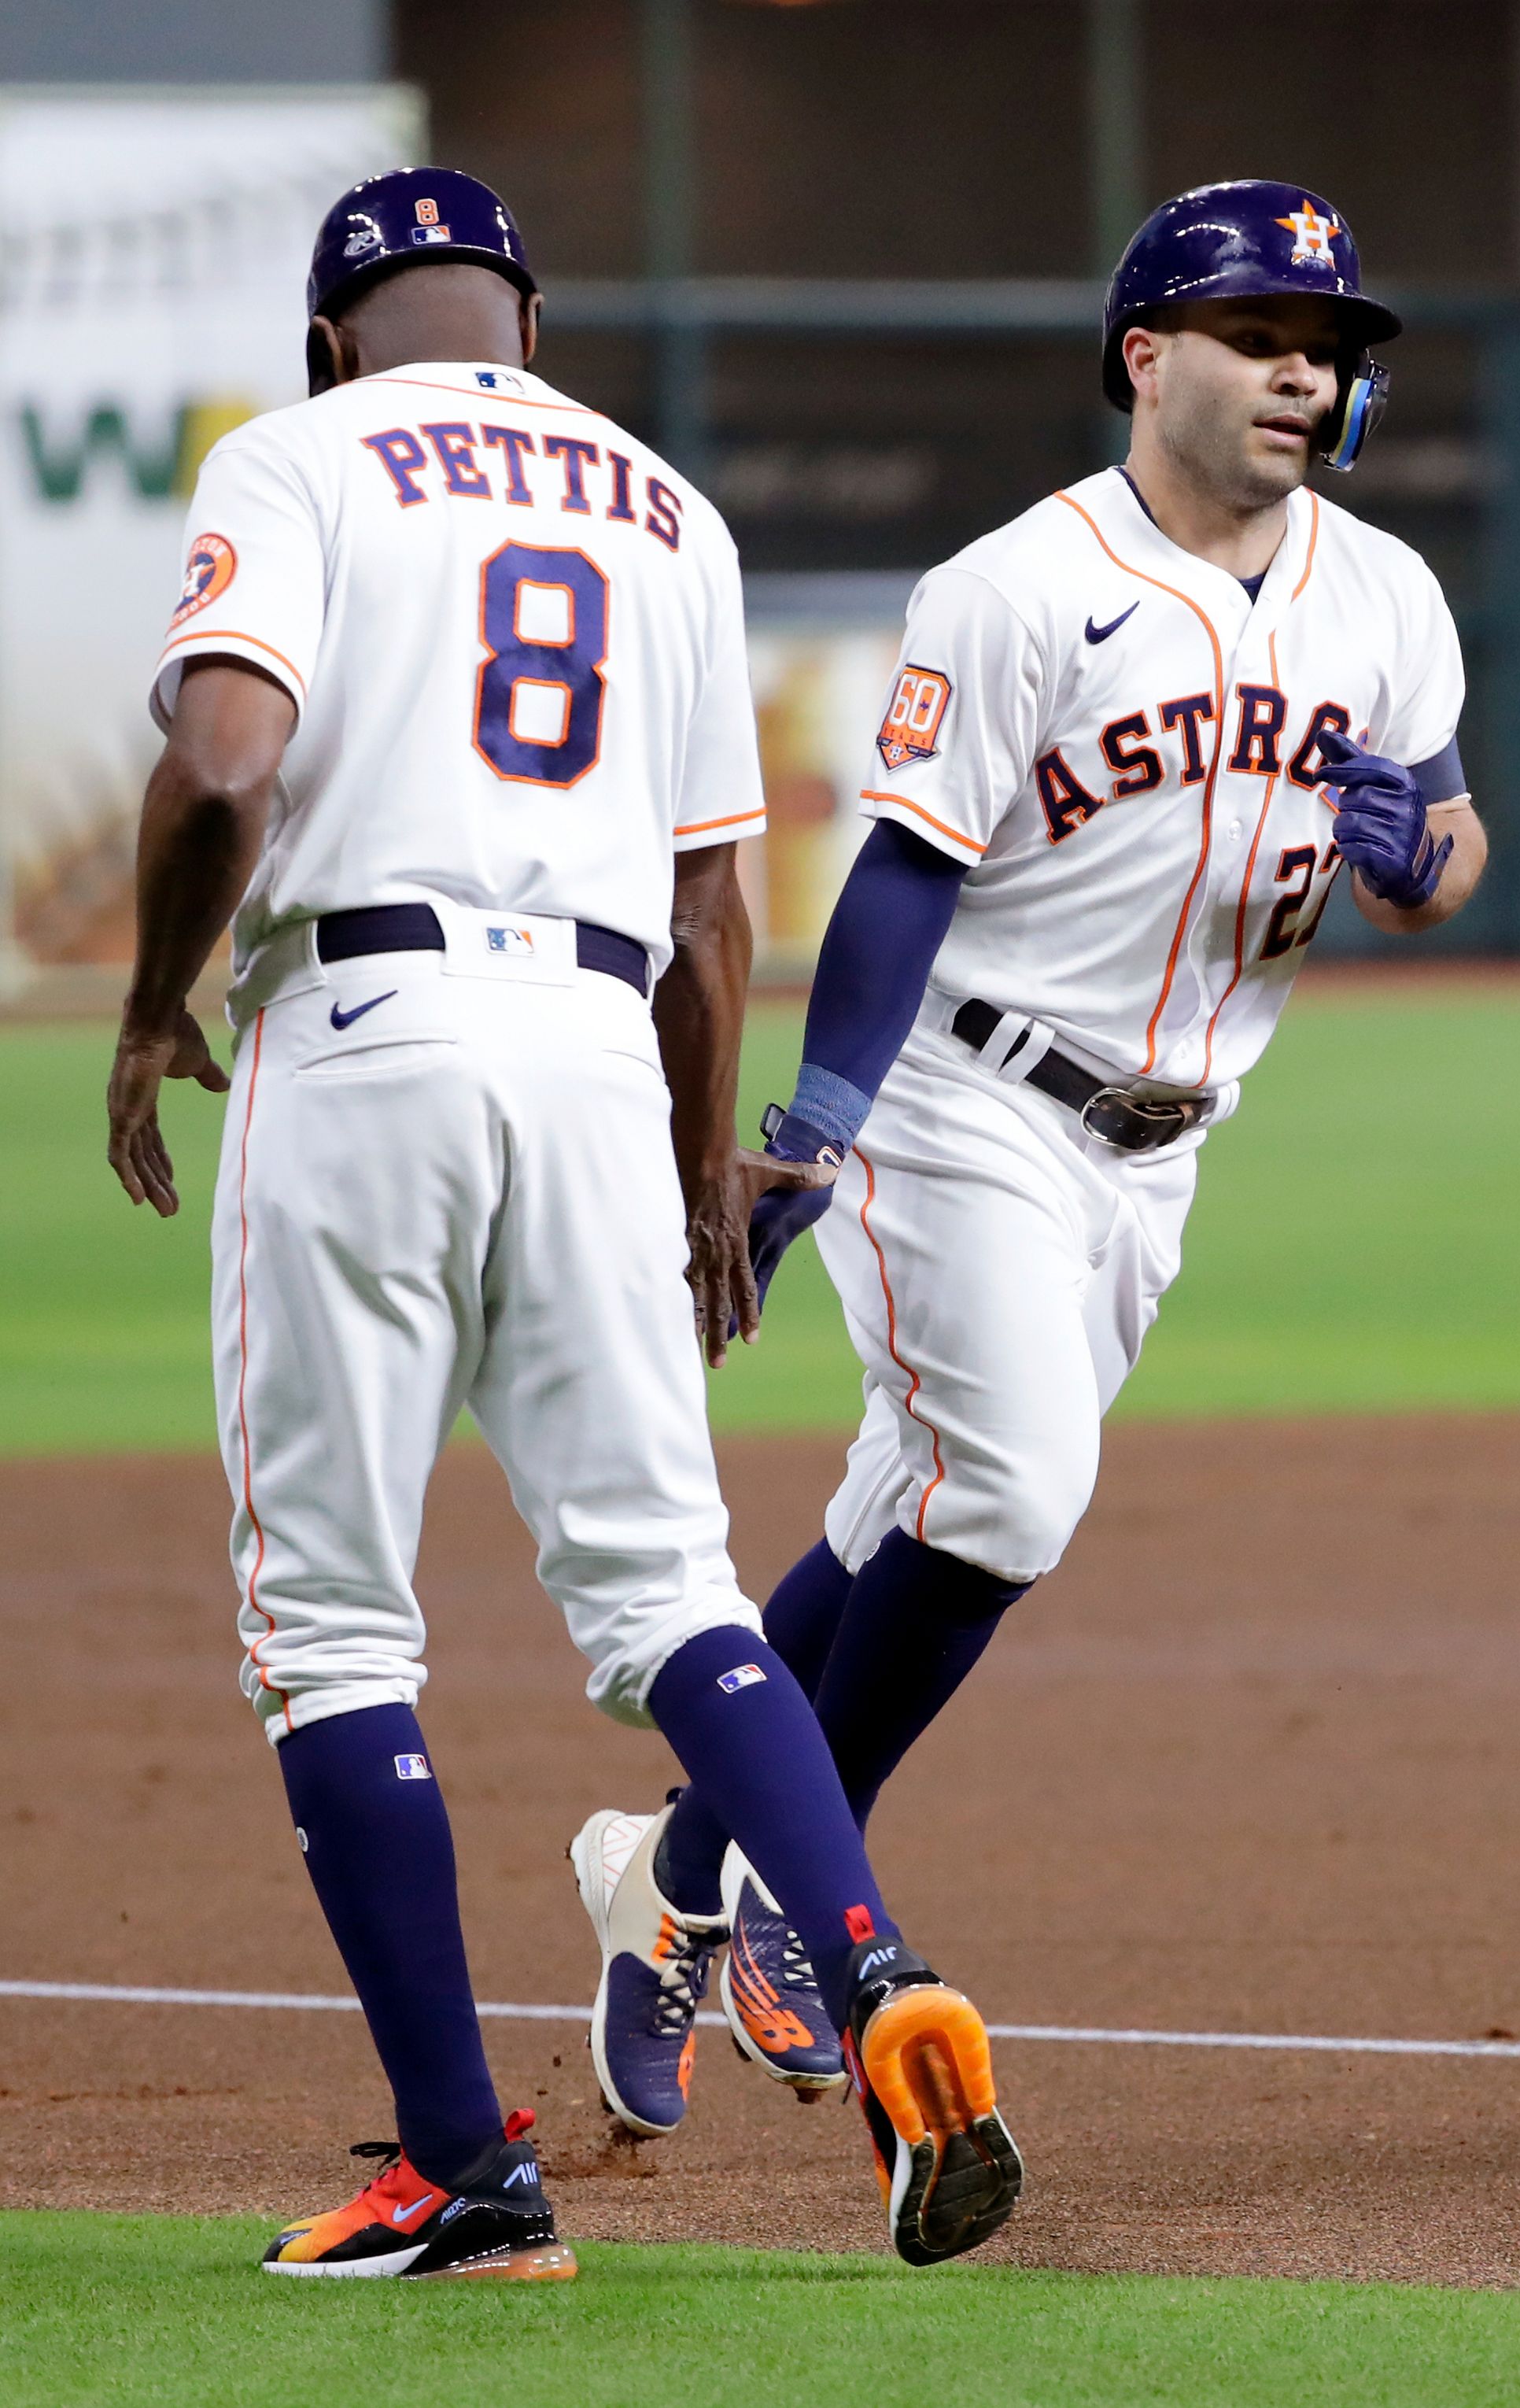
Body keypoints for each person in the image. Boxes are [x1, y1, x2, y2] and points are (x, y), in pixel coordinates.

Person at [105, 167, 1020, 2277]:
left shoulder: (302, 450)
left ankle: (466, 2172)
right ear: (527, 315)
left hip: (370, 1025)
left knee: (331, 1622)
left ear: (337, 331)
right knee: (669, 1593)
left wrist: (157, 1004)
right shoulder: (667, 508)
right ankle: (878, 1979)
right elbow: (717, 901)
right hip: (609, 1052)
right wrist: (708, 1177)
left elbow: (227, 765)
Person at [577, 179, 1489, 2118]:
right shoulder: (1017, 587)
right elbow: (907, 867)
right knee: (1013, 1495)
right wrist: (815, 1127)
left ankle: (675, 1866)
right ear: (1146, 356)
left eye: (1327, 351)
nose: (1301, 377)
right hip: (965, 1095)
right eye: (1261, 338)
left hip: (1162, 1147)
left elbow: (1448, 838)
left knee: (906, 1505)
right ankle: (807, 1909)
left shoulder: (1387, 597)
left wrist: (1427, 865)